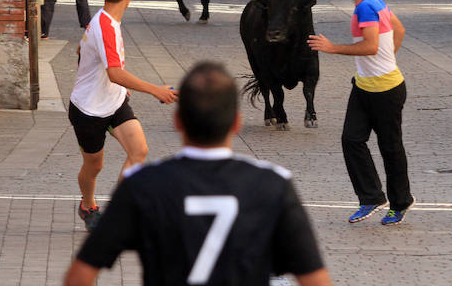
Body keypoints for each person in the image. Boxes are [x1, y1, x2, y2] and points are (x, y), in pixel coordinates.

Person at [64, 61, 331, 286]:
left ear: (178, 121)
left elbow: (80, 274)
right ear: (236, 123)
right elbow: (315, 279)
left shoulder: (143, 184)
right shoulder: (273, 184)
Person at [62, 0, 178, 233]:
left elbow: (83, 52)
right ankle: (88, 206)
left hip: (113, 103)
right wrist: (155, 90)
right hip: (87, 110)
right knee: (94, 165)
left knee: (139, 151)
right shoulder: (105, 27)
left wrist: (118, 87)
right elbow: (115, 72)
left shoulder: (106, 20)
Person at [308, 0, 414, 226]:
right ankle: (372, 197)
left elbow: (370, 46)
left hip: (386, 90)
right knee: (351, 140)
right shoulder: (376, 1)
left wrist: (332, 48)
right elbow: (399, 30)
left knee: (390, 148)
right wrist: (386, 59)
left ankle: (400, 202)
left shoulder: (366, 6)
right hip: (365, 86)